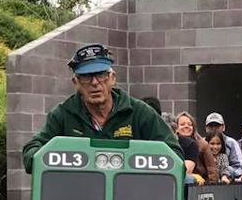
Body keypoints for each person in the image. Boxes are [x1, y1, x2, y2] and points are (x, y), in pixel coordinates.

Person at [22, 44, 182, 173]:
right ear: (75, 82)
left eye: (100, 74)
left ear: (112, 78)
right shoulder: (62, 115)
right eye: (86, 77)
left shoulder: (140, 113)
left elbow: (175, 154)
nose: (94, 83)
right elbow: (32, 153)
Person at [176, 112, 217, 183]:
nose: (186, 126)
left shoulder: (202, 144)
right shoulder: (173, 143)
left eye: (190, 124)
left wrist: (211, 185)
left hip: (199, 185)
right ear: (176, 128)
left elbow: (211, 169)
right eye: (182, 124)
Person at [203, 112, 242, 181]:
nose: (214, 129)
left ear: (223, 127)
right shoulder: (201, 144)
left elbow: (238, 168)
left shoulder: (231, 143)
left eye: (217, 126)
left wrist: (225, 174)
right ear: (206, 128)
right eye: (211, 126)